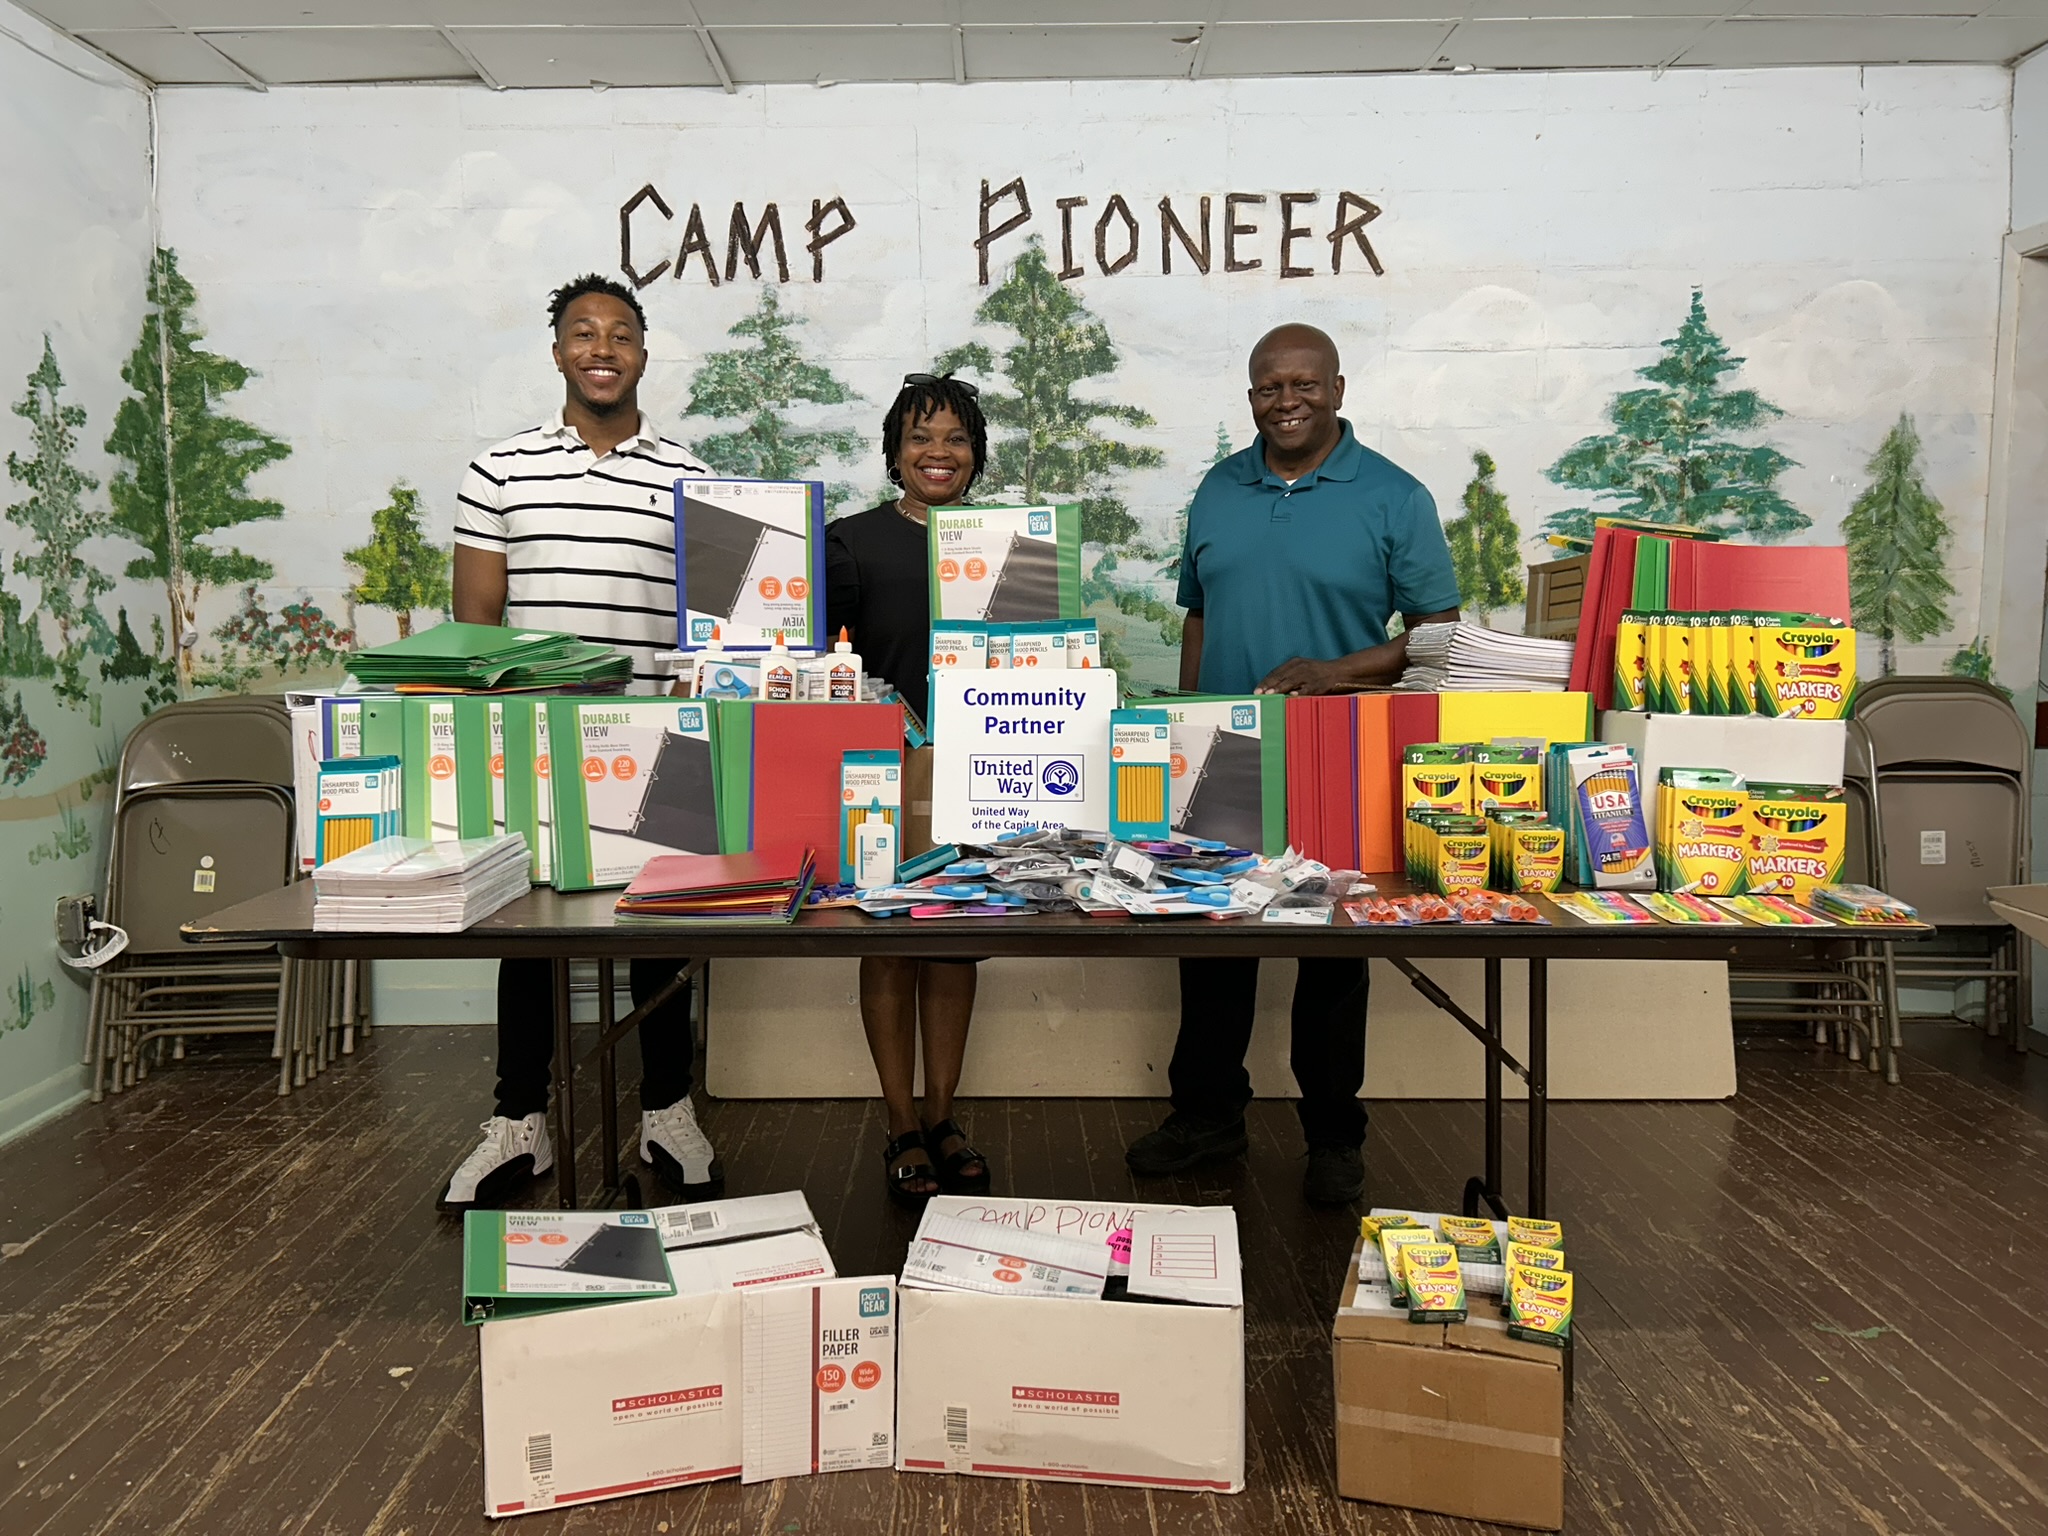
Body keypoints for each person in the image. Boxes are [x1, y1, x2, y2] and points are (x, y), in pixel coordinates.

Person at [1126, 323, 1462, 1207]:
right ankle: (1207, 1117)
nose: (1288, 400)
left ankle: (1332, 1136)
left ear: (1339, 389)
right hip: (1221, 754)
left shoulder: (1395, 495)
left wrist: (1336, 674)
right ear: (1250, 399)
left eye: (1305, 384)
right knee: (1211, 941)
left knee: (1330, 954)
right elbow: (1197, 615)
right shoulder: (1218, 488)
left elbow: (1439, 636)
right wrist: (1186, 725)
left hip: (1336, 751)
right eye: (1270, 387)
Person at [439, 273, 720, 1210]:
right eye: (584, 333)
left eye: (622, 334)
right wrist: (502, 731)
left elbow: (715, 623)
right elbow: (476, 627)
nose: (603, 348)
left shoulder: (692, 477)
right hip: (537, 742)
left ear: (645, 352)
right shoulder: (500, 471)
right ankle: (519, 1122)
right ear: (558, 350)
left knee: (661, 931)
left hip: (659, 741)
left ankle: (669, 1110)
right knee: (530, 937)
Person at [825, 374, 994, 1208]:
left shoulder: (1009, 543)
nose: (939, 453)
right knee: (890, 939)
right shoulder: (849, 541)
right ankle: (899, 1123)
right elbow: (820, 666)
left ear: (977, 455)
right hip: (880, 774)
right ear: (894, 450)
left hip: (985, 772)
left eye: (957, 439)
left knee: (957, 941)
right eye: (921, 436)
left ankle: (943, 1116)